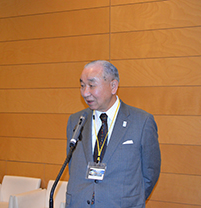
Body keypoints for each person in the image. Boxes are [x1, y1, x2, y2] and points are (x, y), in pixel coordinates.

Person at [65, 60, 161, 208]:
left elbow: (150, 173)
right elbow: (73, 167)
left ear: (113, 86)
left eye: (91, 85)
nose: (85, 93)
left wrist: (130, 200)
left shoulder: (141, 122)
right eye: (82, 85)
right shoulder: (76, 120)